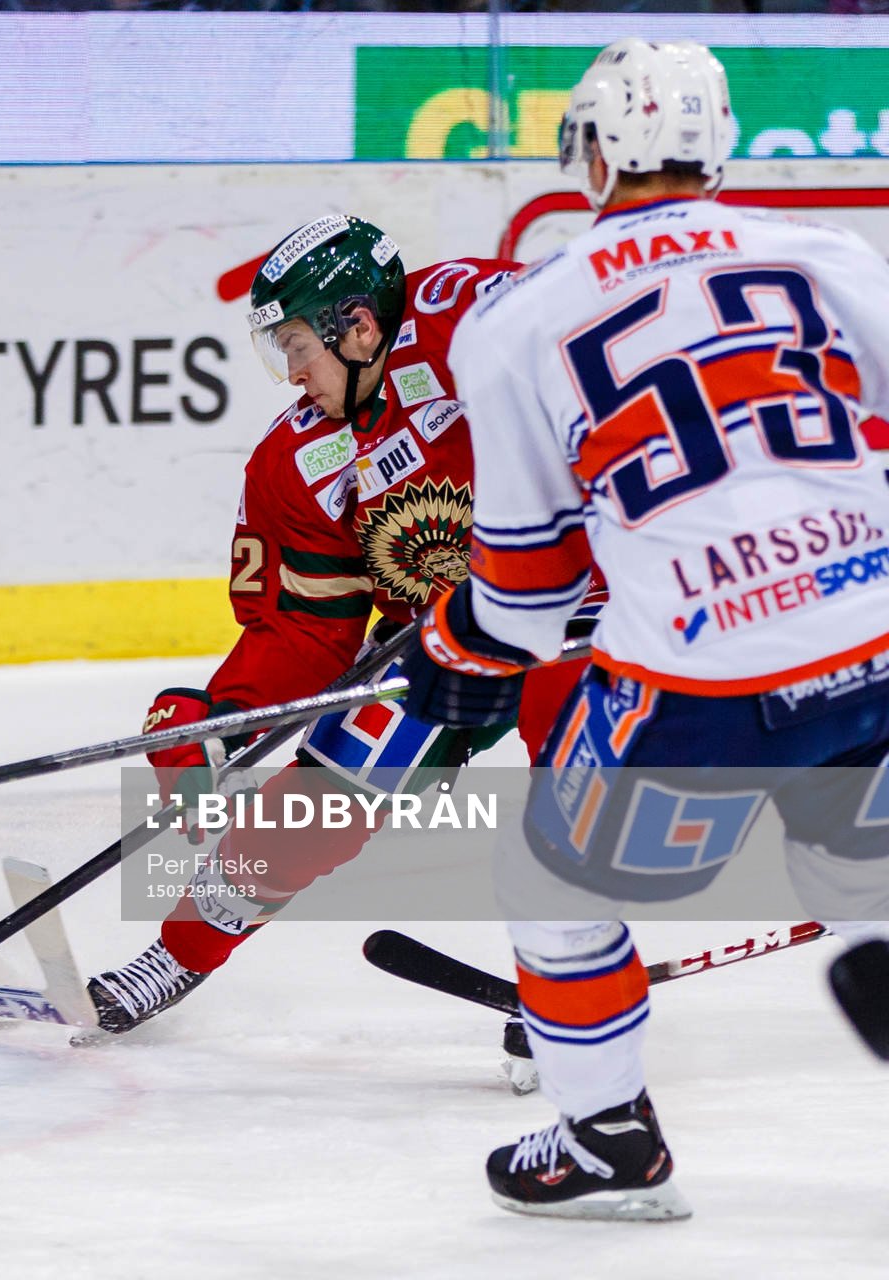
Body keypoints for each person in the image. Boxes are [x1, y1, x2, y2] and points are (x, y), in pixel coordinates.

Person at [401, 39, 889, 1219]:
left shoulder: (522, 320)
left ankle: (606, 1131)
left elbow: (519, 599)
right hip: (881, 639)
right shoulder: (837, 260)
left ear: (597, 151)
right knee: (858, 864)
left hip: (703, 688)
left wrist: (454, 655)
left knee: (549, 874)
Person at [86, 214, 593, 1036]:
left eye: (296, 347)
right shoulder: (294, 463)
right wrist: (223, 718)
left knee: (574, 768)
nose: (291, 375)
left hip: (586, 596)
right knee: (322, 802)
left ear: (358, 327)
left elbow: (609, 319)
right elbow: (308, 632)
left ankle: (577, 991)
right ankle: (177, 955)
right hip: (441, 647)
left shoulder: (462, 318)